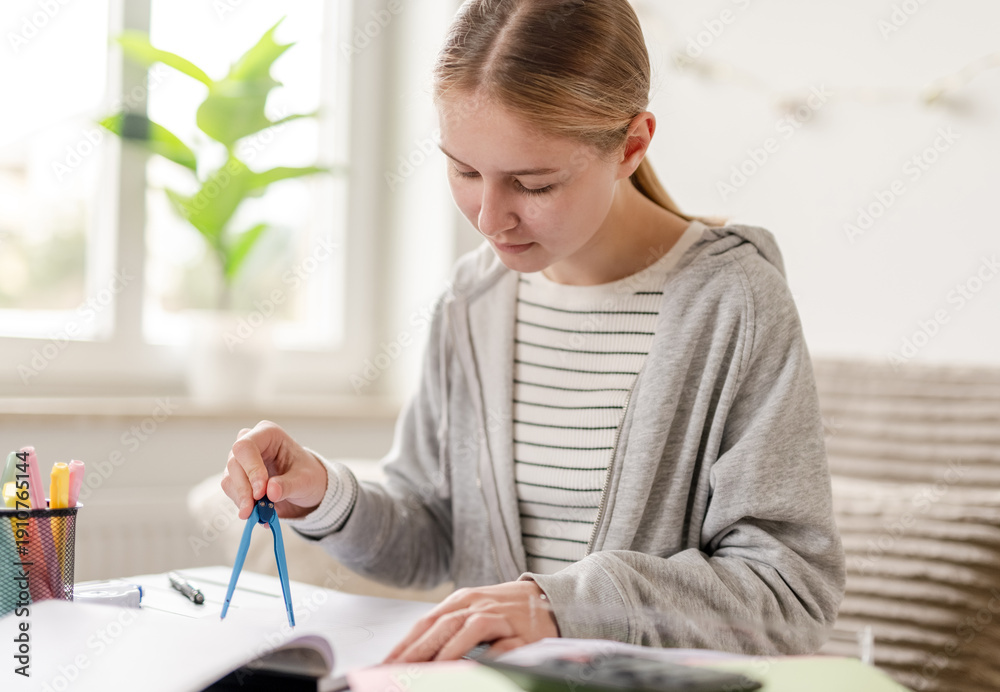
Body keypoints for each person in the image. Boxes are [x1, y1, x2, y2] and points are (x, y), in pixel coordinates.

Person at [221, 0, 845, 664]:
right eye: (464, 171)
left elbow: (790, 594)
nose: (491, 218)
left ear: (631, 146)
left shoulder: (734, 305)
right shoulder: (473, 299)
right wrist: (323, 492)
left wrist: (562, 606)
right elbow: (434, 536)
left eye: (532, 183)